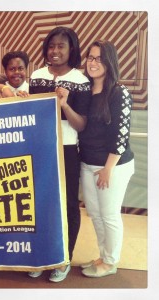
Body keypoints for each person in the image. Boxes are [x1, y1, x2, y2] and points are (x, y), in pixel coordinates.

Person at [27, 26, 91, 282]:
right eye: (51, 46)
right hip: (40, 148)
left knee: (67, 206)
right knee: (39, 203)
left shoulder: (80, 81)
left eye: (61, 46)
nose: (54, 51)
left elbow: (81, 124)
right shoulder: (37, 76)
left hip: (66, 150)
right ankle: (42, 255)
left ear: (71, 49)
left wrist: (64, 104)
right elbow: (31, 115)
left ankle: (63, 257)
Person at [78, 40, 134, 278]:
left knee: (109, 214)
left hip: (113, 165)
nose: (93, 63)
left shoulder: (119, 92)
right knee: (95, 212)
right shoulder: (84, 90)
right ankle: (103, 255)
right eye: (90, 58)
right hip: (87, 161)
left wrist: (108, 168)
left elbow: (121, 135)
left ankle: (111, 262)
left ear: (109, 62)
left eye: (99, 59)